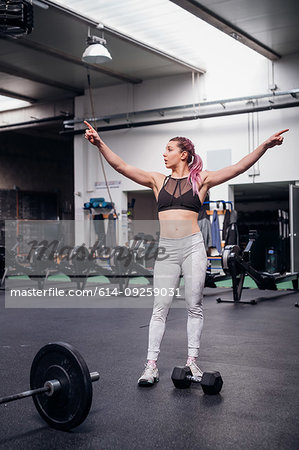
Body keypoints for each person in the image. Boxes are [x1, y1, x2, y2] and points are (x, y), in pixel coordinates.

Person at [84, 120, 288, 386]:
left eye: (168, 149)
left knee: (195, 306)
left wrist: (264, 146)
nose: (164, 153)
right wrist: (99, 143)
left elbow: (239, 167)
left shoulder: (201, 180)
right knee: (160, 308)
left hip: (193, 247)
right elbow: (121, 166)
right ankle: (151, 366)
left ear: (184, 154)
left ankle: (192, 362)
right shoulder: (158, 180)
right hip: (167, 249)